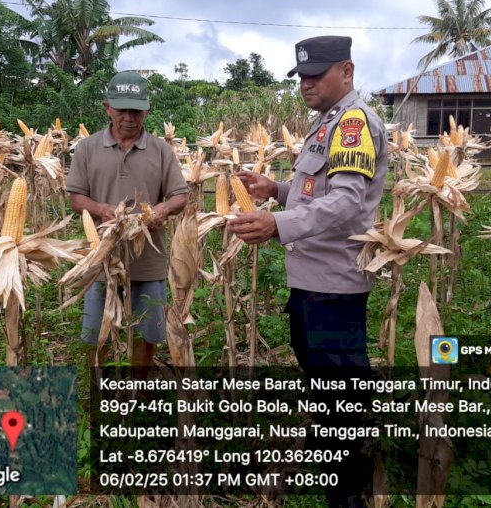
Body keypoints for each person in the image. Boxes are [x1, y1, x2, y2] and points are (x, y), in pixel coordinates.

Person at [228, 36, 387, 507]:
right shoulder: (328, 124)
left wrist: (279, 224)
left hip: (333, 286)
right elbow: (319, 192)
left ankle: (347, 490)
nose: (306, 83)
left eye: (316, 74)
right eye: (301, 76)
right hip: (311, 282)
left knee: (341, 387)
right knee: (325, 382)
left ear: (347, 71)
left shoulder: (354, 123)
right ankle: (333, 459)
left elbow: (347, 203)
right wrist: (276, 189)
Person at [66, 70, 189, 368]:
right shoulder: (87, 148)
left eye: (136, 110)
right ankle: (102, 387)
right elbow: (75, 198)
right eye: (122, 110)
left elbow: (180, 196)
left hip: (148, 259)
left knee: (147, 333)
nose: (129, 118)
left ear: (147, 110)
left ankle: (140, 392)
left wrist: (161, 210)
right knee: (97, 332)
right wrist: (100, 209)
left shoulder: (161, 150)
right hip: (101, 258)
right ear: (108, 107)